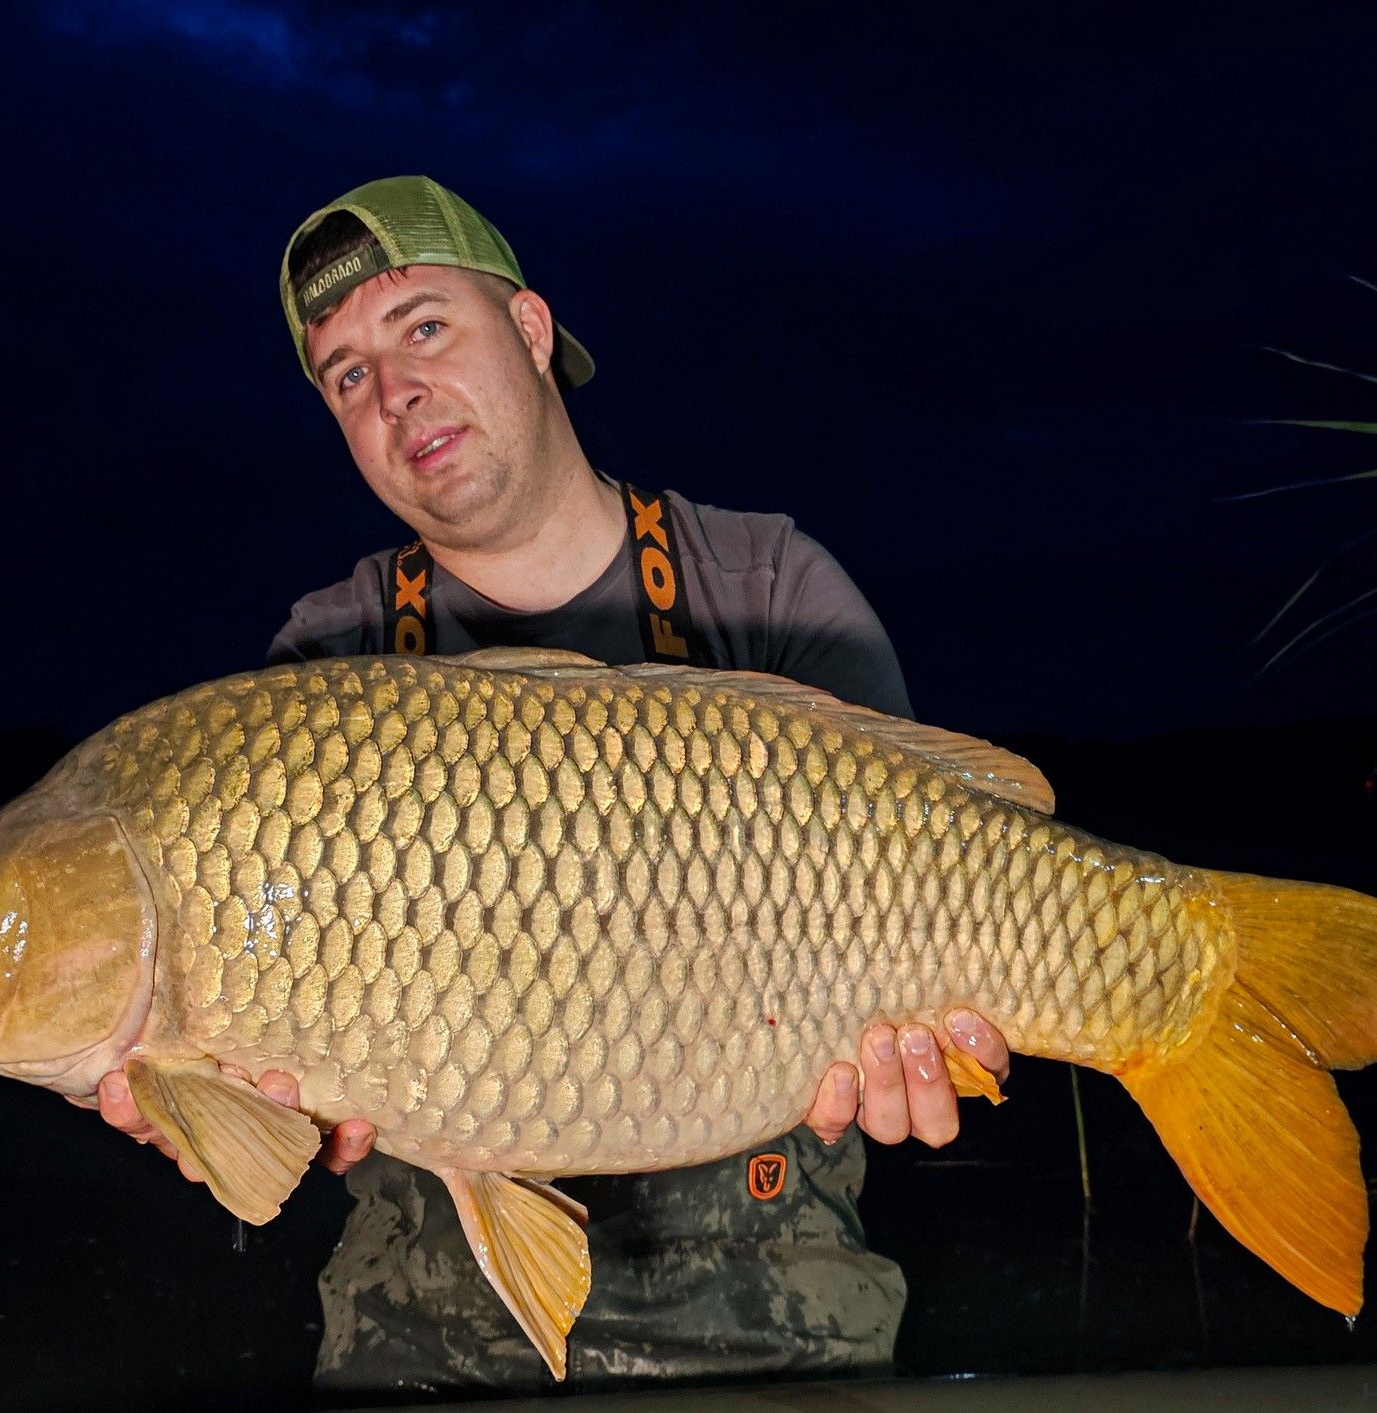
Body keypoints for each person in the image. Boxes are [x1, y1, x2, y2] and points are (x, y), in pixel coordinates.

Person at [93, 175, 1012, 1397]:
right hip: (421, 1324)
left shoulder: (767, 585)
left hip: (778, 1309)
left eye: (423, 326)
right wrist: (216, 1113)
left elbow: (954, 881)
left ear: (530, 331)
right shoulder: (325, 659)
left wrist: (935, 1051)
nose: (394, 390)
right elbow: (282, 1117)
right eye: (346, 374)